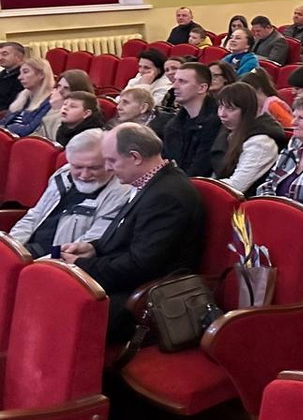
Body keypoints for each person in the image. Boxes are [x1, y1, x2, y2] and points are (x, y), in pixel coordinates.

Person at [63, 124, 204, 340]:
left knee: (60, 306)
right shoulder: (151, 183)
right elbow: (129, 236)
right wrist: (93, 248)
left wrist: (81, 265)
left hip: (143, 298)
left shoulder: (167, 195)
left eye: (112, 160)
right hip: (126, 280)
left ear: (135, 157)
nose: (108, 168)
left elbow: (140, 265)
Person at [9, 128, 128, 258]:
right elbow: (34, 216)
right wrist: (13, 249)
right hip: (31, 249)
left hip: (56, 258)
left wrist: (35, 265)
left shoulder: (121, 193)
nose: (84, 175)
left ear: (110, 163)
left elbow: (90, 242)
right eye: (77, 167)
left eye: (94, 168)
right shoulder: (63, 174)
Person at [211, 82, 287, 195]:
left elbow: (237, 186)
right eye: (220, 107)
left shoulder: (261, 142)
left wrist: (197, 187)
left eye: (230, 109)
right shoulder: (228, 131)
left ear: (247, 111)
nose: (222, 114)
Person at [160, 62, 223, 176]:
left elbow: (200, 169)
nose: (174, 86)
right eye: (175, 80)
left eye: (182, 81)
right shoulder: (172, 126)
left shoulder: (217, 122)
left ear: (202, 88)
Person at [0, 57, 54, 138]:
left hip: (23, 141)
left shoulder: (50, 100)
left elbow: (29, 130)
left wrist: (7, 129)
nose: (19, 77)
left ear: (41, 75)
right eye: (20, 73)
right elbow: (4, 121)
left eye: (25, 72)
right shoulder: (22, 96)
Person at [0, 42, 27, 110]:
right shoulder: (3, 74)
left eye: (4, 54)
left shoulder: (26, 76)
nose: (0, 58)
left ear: (19, 57)